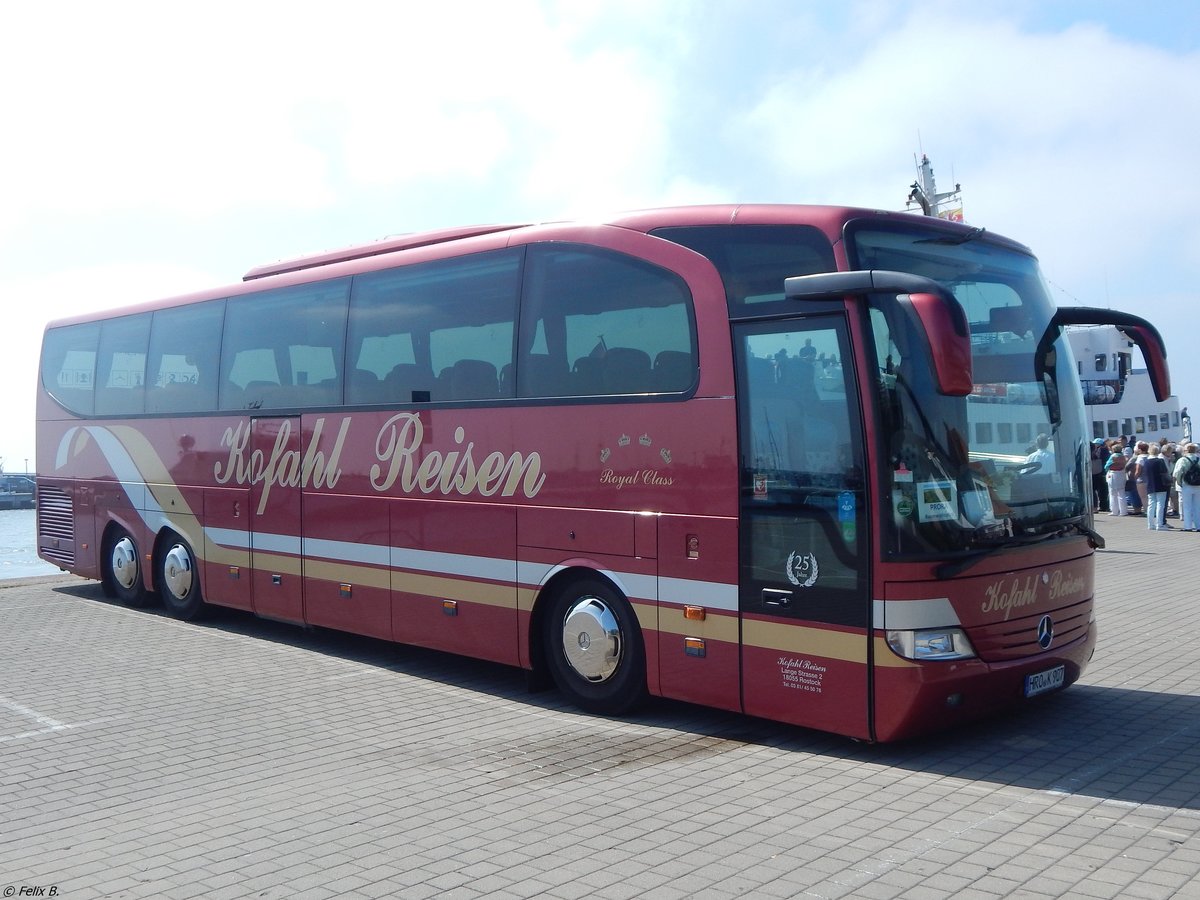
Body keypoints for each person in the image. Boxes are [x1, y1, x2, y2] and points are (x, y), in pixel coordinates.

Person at [1143, 444, 1171, 530]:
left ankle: (1150, 524)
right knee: (1160, 504)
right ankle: (1159, 524)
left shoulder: (1146, 461)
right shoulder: (1160, 461)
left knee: (1151, 505)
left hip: (1150, 485)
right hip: (1161, 485)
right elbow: (1166, 472)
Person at [1174, 442, 1200, 531]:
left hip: (1186, 485)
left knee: (1187, 506)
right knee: (1197, 506)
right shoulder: (1199, 459)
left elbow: (1177, 473)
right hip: (1198, 485)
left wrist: (1179, 482)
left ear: (1185, 450)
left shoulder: (1182, 460)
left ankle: (1188, 526)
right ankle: (1198, 526)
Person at [1105, 450, 1129, 515]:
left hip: (1113, 474)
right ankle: (1123, 511)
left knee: (1113, 494)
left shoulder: (1113, 456)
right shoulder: (1123, 457)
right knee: (1122, 494)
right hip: (1122, 474)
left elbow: (1106, 466)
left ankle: (1114, 511)